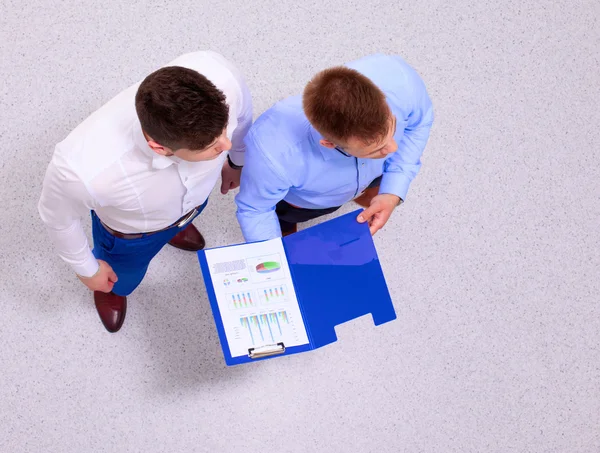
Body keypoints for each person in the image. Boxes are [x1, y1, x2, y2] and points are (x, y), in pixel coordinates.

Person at [39, 51, 252, 333]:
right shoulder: (82, 170)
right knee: (122, 280)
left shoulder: (220, 76)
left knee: (191, 209)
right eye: (210, 147)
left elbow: (244, 120)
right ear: (159, 148)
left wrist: (237, 162)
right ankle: (113, 292)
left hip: (195, 201)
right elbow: (58, 219)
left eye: (224, 129)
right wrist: (88, 271)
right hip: (131, 239)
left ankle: (176, 227)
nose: (224, 145)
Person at [236, 53, 432, 242]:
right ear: (329, 144)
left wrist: (392, 190)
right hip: (304, 204)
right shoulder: (272, 154)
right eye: (374, 150)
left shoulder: (399, 78)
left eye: (394, 126)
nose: (393, 149)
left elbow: (419, 123)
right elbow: (256, 210)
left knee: (376, 185)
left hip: (371, 176)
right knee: (285, 222)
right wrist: (274, 263)